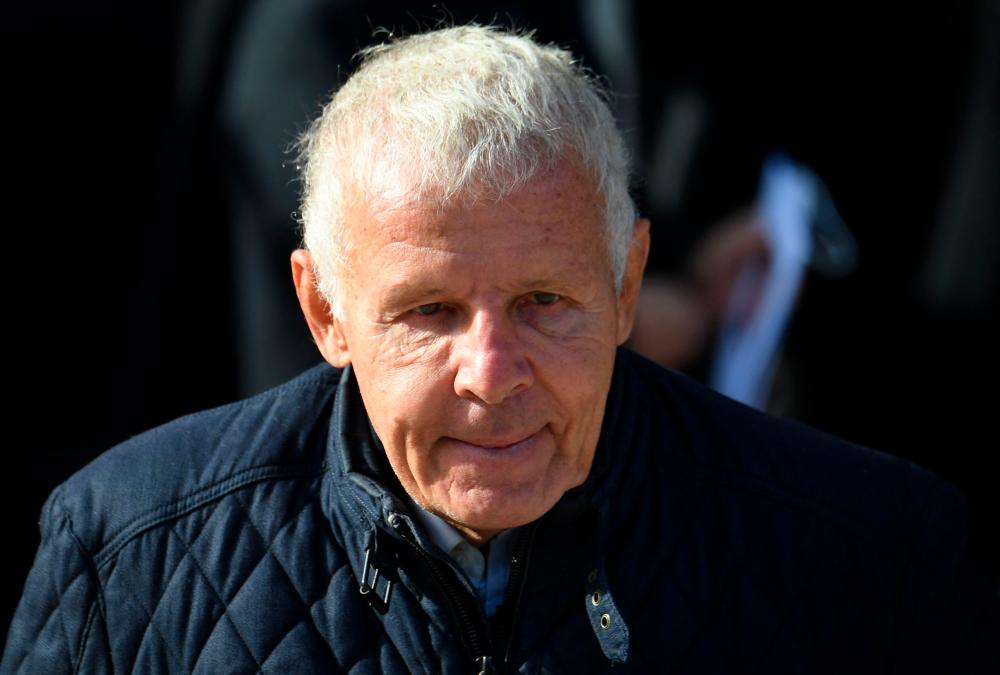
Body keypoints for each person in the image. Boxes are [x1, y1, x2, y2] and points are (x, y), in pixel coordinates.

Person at [3, 24, 997, 674]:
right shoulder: (124, 549)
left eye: (542, 301)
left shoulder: (875, 556)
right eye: (428, 312)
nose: (490, 370)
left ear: (624, 284)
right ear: (325, 310)